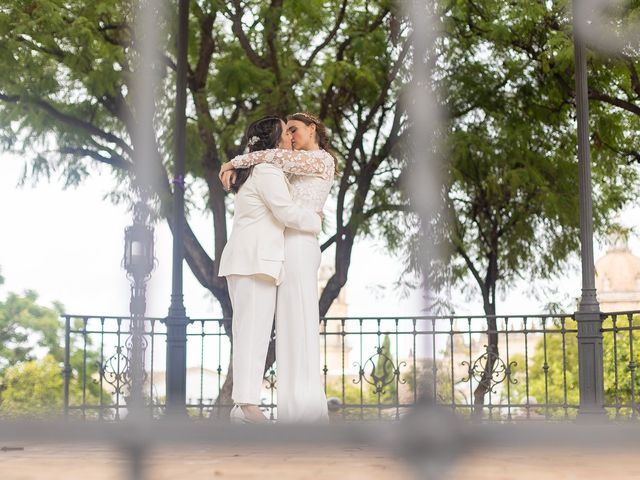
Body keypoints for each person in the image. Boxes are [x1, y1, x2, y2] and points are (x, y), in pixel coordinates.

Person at [220, 112, 336, 423]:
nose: (293, 138)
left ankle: (304, 408)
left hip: (298, 246)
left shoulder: (320, 160)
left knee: (297, 323)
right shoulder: (277, 168)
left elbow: (268, 157)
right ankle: (282, 409)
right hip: (278, 252)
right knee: (282, 329)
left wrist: (234, 162)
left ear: (313, 129)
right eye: (288, 132)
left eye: (296, 130)